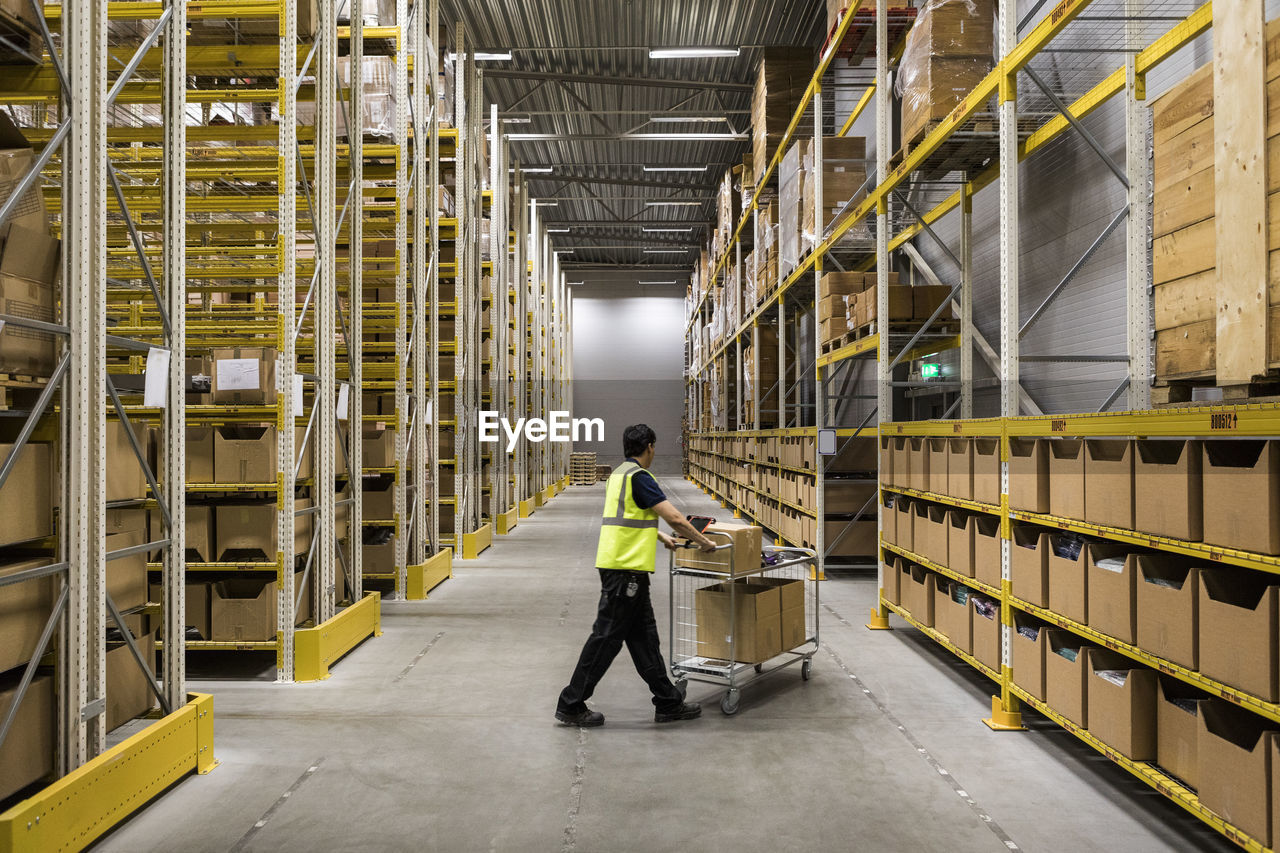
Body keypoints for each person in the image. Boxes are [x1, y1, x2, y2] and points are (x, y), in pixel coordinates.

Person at [555, 424, 717, 727]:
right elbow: (675, 517)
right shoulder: (641, 477)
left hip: (623, 567)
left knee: (644, 638)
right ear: (650, 447)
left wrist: (661, 538)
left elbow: (628, 515)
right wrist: (703, 541)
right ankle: (571, 703)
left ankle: (667, 702)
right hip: (625, 571)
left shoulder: (619, 474)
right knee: (606, 638)